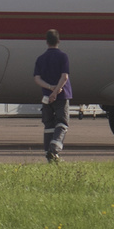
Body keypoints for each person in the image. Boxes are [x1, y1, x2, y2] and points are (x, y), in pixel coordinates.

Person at [33, 29, 71, 162]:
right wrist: (56, 92)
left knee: (48, 125)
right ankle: (54, 148)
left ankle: (49, 155)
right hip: (61, 96)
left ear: (47, 42)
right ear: (58, 41)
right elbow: (64, 77)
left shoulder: (40, 59)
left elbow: (37, 79)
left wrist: (49, 89)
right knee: (62, 122)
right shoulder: (63, 57)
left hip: (46, 97)